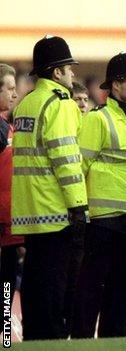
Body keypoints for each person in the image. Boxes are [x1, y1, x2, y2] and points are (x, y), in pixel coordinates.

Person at [11, 36, 88, 340]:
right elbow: (66, 160)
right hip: (56, 210)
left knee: (33, 282)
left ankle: (33, 340)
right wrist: (78, 206)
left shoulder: (26, 103)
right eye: (69, 68)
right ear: (56, 72)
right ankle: (53, 341)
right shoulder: (61, 104)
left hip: (28, 211)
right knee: (56, 287)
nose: (73, 74)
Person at [72, 52, 126, 338]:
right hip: (103, 219)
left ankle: (112, 343)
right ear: (116, 85)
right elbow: (79, 166)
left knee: (120, 288)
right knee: (91, 286)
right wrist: (79, 209)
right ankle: (80, 340)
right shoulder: (99, 119)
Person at [0, 63, 24, 308]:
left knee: (7, 287)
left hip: (9, 229)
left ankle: (6, 342)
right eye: (9, 89)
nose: (15, 94)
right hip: (2, 227)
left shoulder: (8, 127)